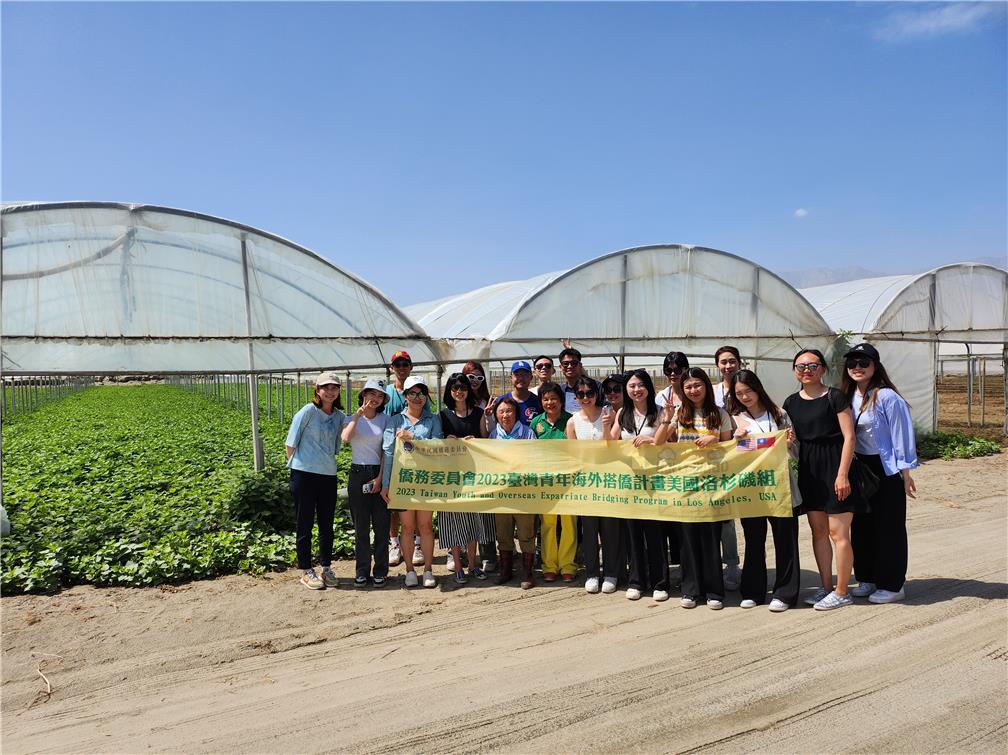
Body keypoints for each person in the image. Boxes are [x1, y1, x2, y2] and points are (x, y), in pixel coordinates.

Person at [782, 348, 862, 611]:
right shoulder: (791, 402)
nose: (807, 371)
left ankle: (842, 591)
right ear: (794, 370)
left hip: (835, 466)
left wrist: (842, 474)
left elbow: (849, 437)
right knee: (818, 532)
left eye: (813, 366)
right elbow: (788, 436)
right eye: (801, 366)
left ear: (823, 369)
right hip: (809, 470)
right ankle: (826, 587)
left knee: (838, 533)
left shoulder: (835, 397)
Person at [841, 343, 918, 604]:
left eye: (864, 363)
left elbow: (901, 434)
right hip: (860, 468)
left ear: (875, 366)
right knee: (862, 525)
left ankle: (893, 583)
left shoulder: (886, 397)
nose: (857, 368)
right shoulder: (848, 395)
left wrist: (905, 473)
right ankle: (868, 578)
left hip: (885, 468)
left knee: (889, 527)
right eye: (852, 363)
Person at [656, 368, 732, 609]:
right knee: (686, 539)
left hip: (711, 486)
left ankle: (714, 591)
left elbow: (732, 447)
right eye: (688, 386)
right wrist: (667, 417)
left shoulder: (719, 414)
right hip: (685, 486)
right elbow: (658, 442)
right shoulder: (680, 414)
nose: (693, 390)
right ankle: (691, 590)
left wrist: (716, 439)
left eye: (697, 385)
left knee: (710, 539)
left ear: (706, 386)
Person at [725, 369, 800, 611]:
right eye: (739, 393)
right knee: (753, 539)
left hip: (780, 485)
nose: (745, 397)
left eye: (748, 391)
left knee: (785, 539)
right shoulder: (734, 418)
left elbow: (795, 449)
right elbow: (729, 454)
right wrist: (735, 441)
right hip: (751, 488)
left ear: (758, 388)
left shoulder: (779, 414)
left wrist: (788, 444)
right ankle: (753, 590)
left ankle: (785, 593)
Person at [284, 371, 349, 590]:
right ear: (317, 390)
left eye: (334, 387)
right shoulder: (308, 412)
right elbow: (290, 444)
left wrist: (363, 412)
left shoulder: (339, 416)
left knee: (326, 524)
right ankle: (305, 570)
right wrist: (300, 467)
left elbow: (351, 428)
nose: (330, 391)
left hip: (328, 475)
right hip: (304, 474)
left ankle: (326, 567)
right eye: (326, 387)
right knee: (304, 522)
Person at [609, 369, 669, 602]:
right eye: (632, 386)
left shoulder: (660, 412)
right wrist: (606, 424)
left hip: (655, 482)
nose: (636, 390)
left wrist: (652, 439)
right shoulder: (622, 413)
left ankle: (660, 582)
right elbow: (612, 441)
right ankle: (636, 581)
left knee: (655, 535)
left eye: (640, 385)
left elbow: (668, 443)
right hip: (629, 483)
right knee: (633, 535)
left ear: (649, 387)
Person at [381, 375, 443, 588]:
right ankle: (409, 570)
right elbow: (388, 453)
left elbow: (438, 446)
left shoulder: (433, 420)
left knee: (425, 526)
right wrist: (387, 483)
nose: (417, 398)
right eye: (412, 394)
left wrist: (414, 438)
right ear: (405, 396)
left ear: (426, 396)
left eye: (421, 394)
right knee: (407, 528)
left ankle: (427, 570)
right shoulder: (395, 420)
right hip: (403, 480)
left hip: (426, 480)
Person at [567, 376, 622, 594]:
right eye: (580, 394)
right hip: (586, 483)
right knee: (589, 530)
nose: (585, 398)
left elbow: (614, 447)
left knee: (610, 530)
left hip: (609, 481)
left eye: (589, 393)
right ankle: (592, 572)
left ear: (596, 393)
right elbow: (572, 455)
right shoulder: (572, 421)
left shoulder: (609, 414)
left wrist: (607, 427)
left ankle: (611, 572)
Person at [437, 373, 489, 586]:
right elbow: (439, 444)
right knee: (453, 521)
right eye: (455, 387)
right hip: (450, 476)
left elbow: (485, 440)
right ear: (449, 391)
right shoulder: (443, 415)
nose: (459, 391)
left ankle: (473, 565)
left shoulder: (478, 413)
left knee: (473, 520)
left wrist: (477, 436)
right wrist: (454, 441)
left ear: (469, 390)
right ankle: (458, 565)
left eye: (463, 387)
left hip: (473, 474)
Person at [341, 378, 391, 588]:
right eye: (372, 394)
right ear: (363, 395)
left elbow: (386, 451)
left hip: (377, 471)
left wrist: (380, 478)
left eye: (380, 396)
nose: (375, 399)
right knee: (361, 527)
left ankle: (380, 571)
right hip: (357, 472)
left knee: (381, 525)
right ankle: (362, 571)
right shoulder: (351, 418)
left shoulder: (386, 420)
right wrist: (357, 416)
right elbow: (345, 438)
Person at [489, 397, 538, 589]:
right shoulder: (494, 435)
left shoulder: (527, 433)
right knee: (503, 532)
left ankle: (527, 572)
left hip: (523, 493)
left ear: (516, 413)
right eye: (501, 412)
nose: (505, 415)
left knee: (526, 532)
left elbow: (534, 459)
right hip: (501, 494)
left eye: (509, 411)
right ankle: (506, 570)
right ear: (496, 415)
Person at [383, 350, 425, 570]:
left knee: (417, 500)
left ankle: (417, 543)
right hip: (394, 454)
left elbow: (426, 420)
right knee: (394, 504)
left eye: (405, 363)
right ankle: (394, 543)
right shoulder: (387, 393)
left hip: (416, 457)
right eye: (397, 364)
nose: (401, 367)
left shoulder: (418, 390)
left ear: (411, 366)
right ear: (392, 368)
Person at [530, 381, 575, 582]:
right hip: (545, 480)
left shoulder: (571, 421)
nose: (550, 402)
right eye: (546, 399)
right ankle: (549, 565)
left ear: (561, 401)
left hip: (568, 480)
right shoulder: (536, 423)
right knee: (548, 523)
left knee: (569, 523)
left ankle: (568, 565)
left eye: (554, 399)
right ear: (541, 401)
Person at [461, 360, 497, 573]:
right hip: (463, 461)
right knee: (464, 506)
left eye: (478, 377)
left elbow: (490, 433)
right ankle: (462, 551)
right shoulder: (457, 399)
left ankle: (488, 553)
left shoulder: (486, 401)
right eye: (470, 377)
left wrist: (488, 415)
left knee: (485, 508)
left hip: (483, 459)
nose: (474, 381)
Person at [712, 346, 743, 592]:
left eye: (732, 361)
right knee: (720, 515)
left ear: (739, 363)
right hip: (716, 459)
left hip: (742, 456)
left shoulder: (747, 386)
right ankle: (718, 564)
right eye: (723, 362)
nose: (728, 366)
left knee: (732, 514)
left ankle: (733, 564)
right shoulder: (712, 391)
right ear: (717, 365)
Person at [558, 347, 594, 413]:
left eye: (574, 363)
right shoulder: (559, 390)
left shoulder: (595, 387)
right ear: (560, 367)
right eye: (565, 363)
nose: (569, 366)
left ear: (580, 365)